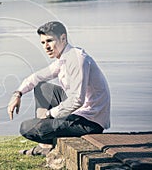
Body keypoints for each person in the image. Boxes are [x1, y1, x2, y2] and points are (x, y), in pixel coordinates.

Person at [7, 21, 110, 156]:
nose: (46, 47)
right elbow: (36, 77)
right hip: (78, 111)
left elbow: (77, 100)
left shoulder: (77, 59)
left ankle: (47, 138)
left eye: (49, 41)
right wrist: (17, 94)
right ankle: (45, 144)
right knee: (41, 87)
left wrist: (49, 114)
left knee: (27, 128)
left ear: (63, 38)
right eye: (43, 43)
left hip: (90, 121)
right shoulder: (63, 59)